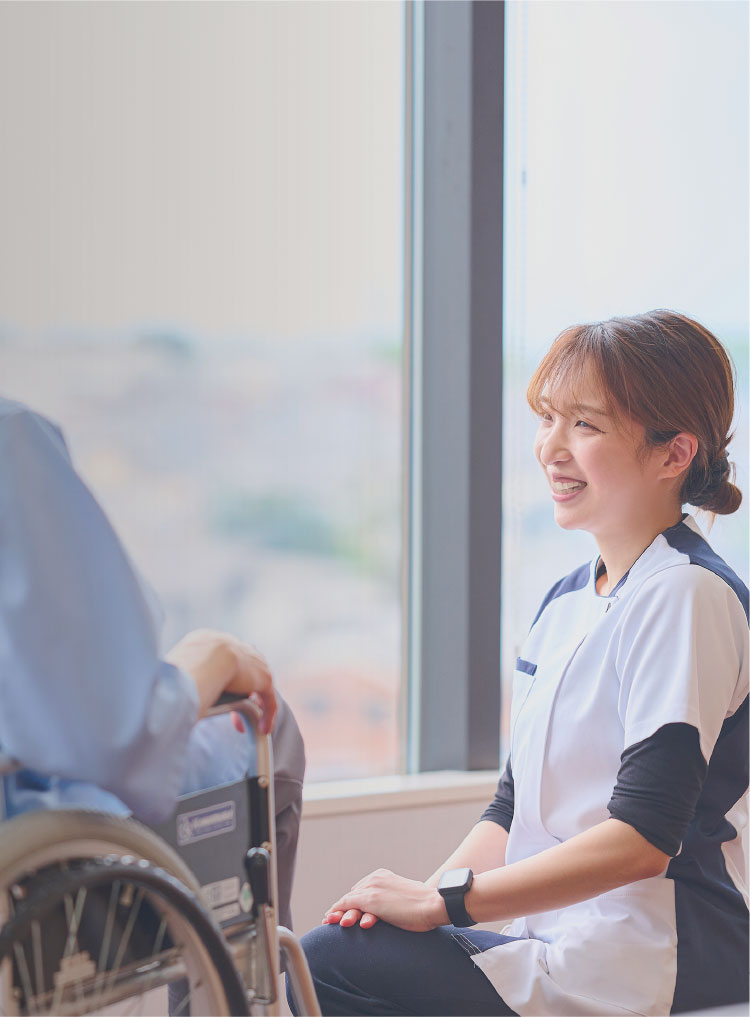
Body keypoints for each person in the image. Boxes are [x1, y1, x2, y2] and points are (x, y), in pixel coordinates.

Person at [293, 310, 749, 1016]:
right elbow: (511, 808)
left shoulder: (687, 595)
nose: (550, 448)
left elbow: (644, 839)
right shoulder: (566, 600)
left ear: (673, 453)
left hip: (656, 954)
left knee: (324, 965)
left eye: (585, 426)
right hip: (558, 940)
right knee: (327, 954)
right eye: (548, 418)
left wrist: (444, 903)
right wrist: (417, 901)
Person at [0, 395, 305, 930]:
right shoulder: (11, 439)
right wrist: (211, 657)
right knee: (266, 727)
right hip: (38, 845)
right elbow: (120, 732)